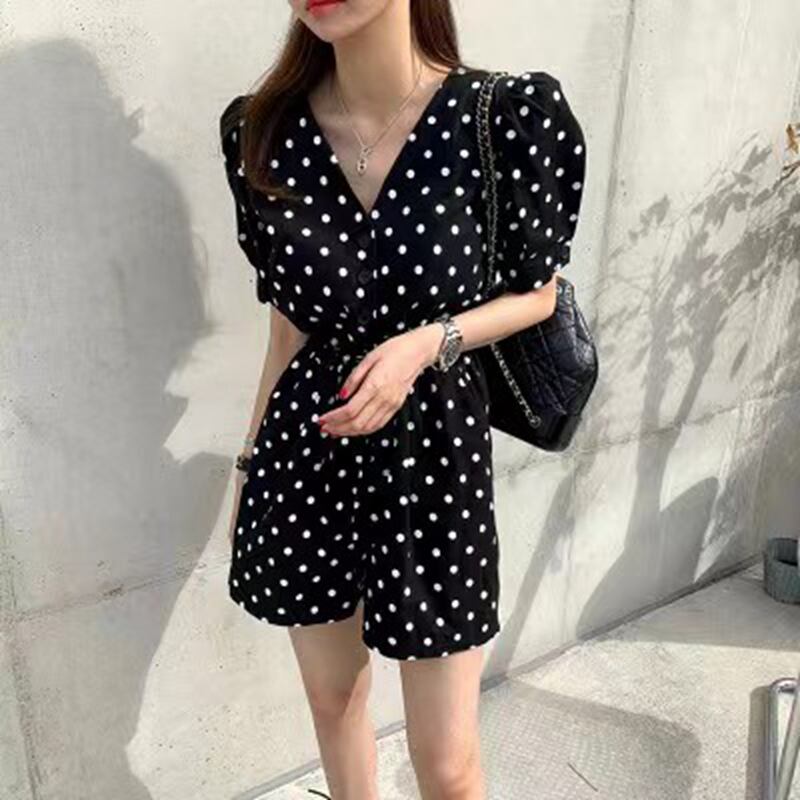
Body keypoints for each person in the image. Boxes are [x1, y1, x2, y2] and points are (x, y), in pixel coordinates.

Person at [219, 1, 586, 797]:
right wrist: (249, 465)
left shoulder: (502, 115)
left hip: (436, 459)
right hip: (306, 449)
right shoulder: (262, 130)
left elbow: (539, 294)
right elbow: (286, 330)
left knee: (447, 764)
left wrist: (427, 343)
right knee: (334, 703)